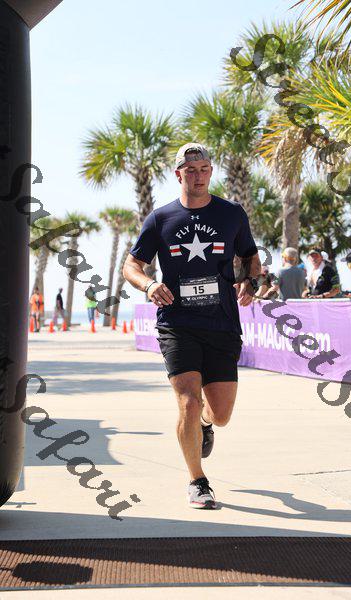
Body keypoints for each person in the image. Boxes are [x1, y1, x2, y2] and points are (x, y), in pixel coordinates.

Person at [123, 142, 261, 510]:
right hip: (177, 323)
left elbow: (250, 255)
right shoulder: (161, 219)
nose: (198, 176)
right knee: (187, 400)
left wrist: (250, 281)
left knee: (221, 415)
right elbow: (131, 266)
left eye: (204, 169)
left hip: (222, 323)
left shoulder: (231, 213)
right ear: (178, 174)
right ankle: (198, 481)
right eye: (190, 170)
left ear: (210, 172)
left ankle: (206, 422)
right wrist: (149, 285)